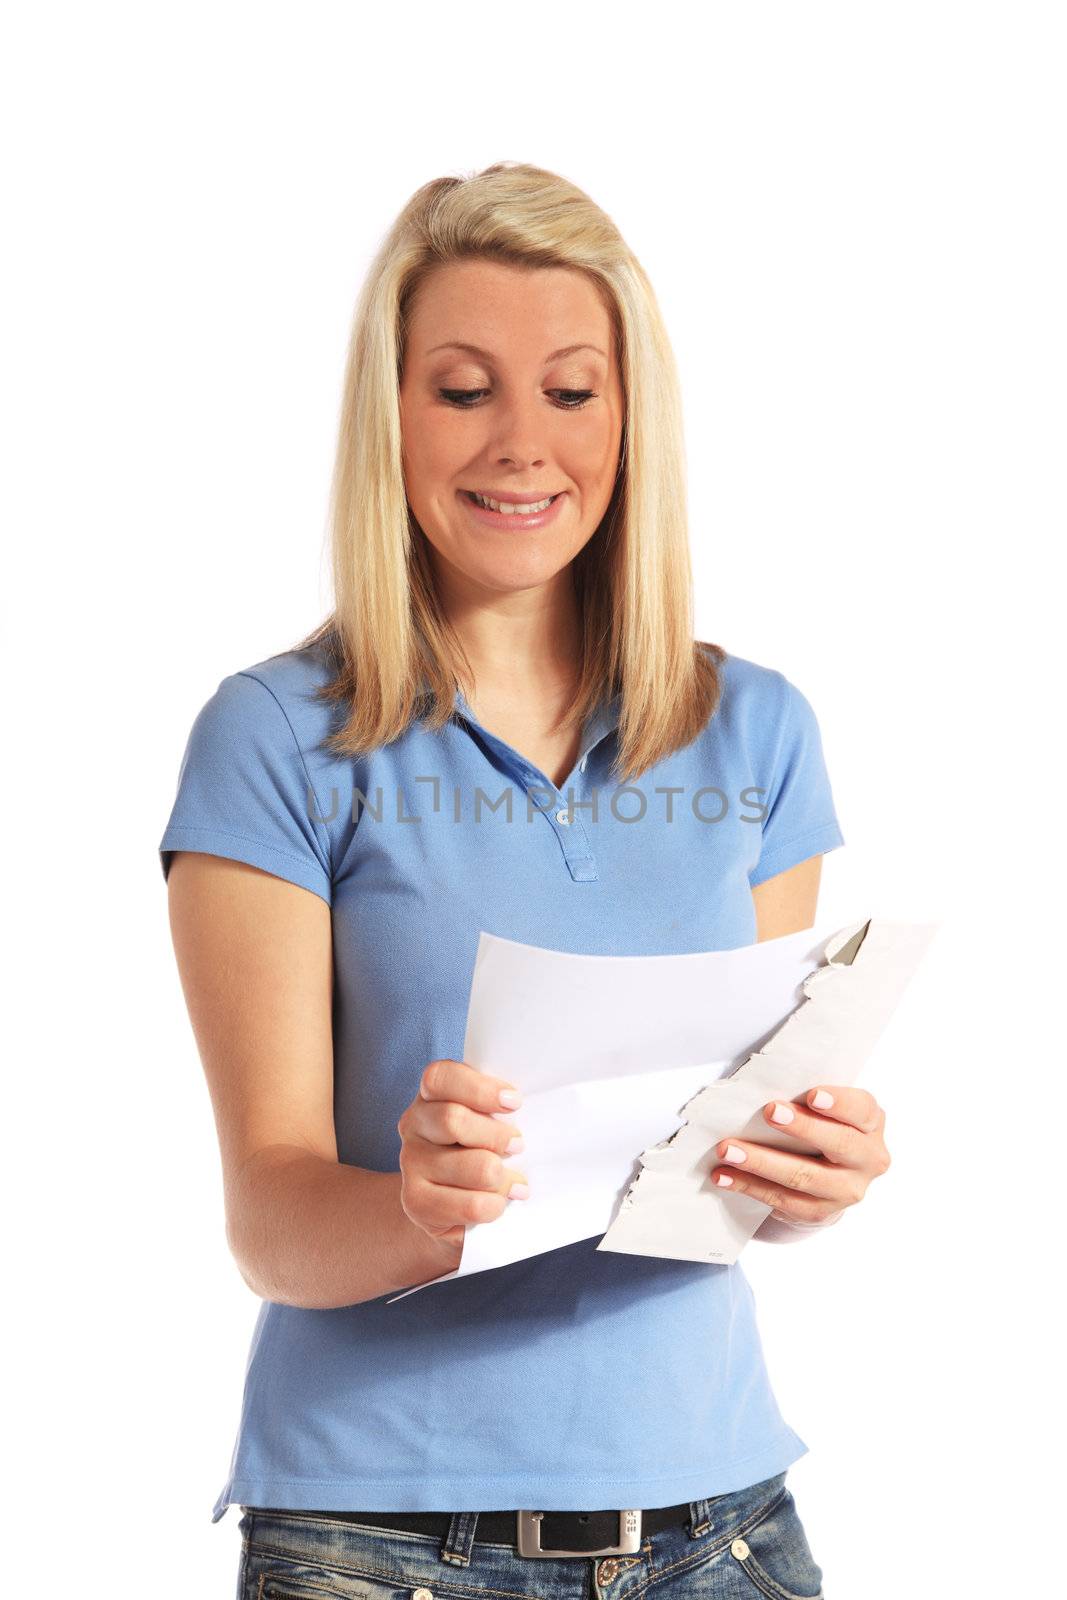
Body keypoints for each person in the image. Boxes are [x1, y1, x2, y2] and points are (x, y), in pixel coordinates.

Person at [159, 161, 891, 1600]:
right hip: (382, 1550)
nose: (520, 445)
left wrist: (803, 1177)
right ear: (393, 414)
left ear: (630, 419)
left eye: (570, 390)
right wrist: (420, 1210)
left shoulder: (757, 730)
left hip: (726, 1532)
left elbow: (720, 1157)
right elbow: (269, 1219)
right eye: (461, 386)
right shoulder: (277, 738)